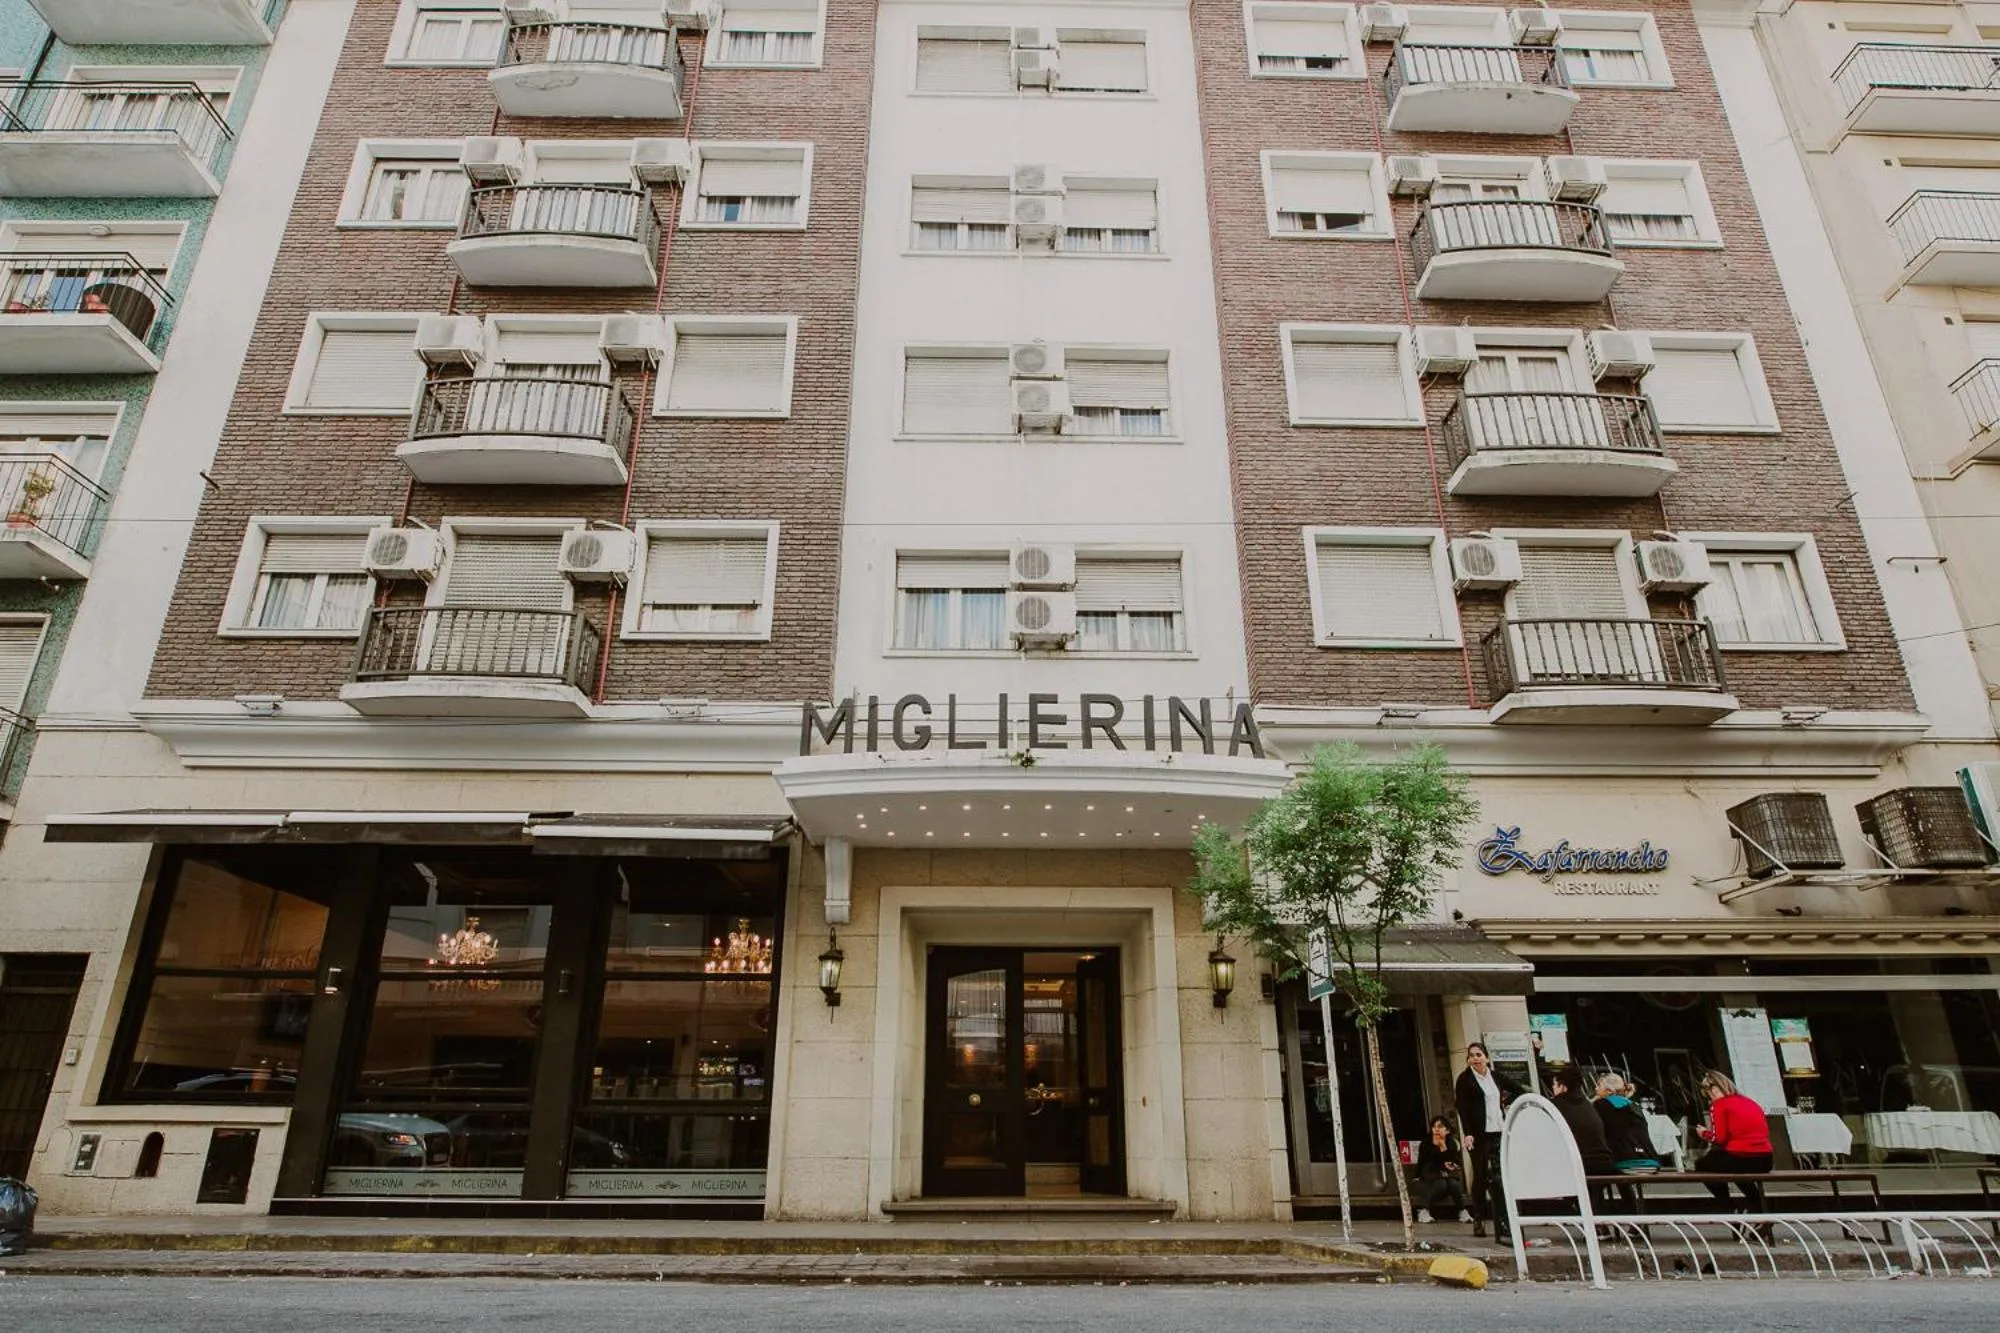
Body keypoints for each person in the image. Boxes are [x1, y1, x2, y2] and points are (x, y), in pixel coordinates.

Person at [1453, 1040, 1524, 1240]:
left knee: (1499, 1177)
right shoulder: (1464, 1080)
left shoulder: (1496, 1077)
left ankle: (1502, 1220)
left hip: (1498, 1131)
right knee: (1481, 1175)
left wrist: (1507, 1103)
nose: (1474, 1059)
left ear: (1486, 1058)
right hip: (1478, 1134)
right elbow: (1462, 1108)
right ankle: (1479, 1219)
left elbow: (1519, 1089)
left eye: (1478, 1055)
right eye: (1471, 1056)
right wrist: (1467, 1133)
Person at [1695, 1069, 1774, 1211]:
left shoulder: (1719, 1105)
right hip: (1766, 1159)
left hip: (1741, 1156)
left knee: (1703, 1165)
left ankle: (1727, 1207)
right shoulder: (1750, 1102)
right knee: (1736, 1171)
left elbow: (1719, 1138)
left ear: (1713, 1089)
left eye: (1708, 1094)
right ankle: (1758, 1206)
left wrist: (1704, 1133)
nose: (1709, 1098)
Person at [1593, 1073, 1661, 1175]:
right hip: (1651, 1162)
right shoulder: (1635, 1106)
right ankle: (1627, 1192)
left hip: (1625, 1163)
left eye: (1599, 1086)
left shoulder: (1601, 1105)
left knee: (1594, 1169)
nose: (1595, 1088)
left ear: (1610, 1091)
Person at [1413, 1116, 1470, 1224]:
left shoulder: (1451, 1143)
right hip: (1428, 1179)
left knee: (1453, 1184)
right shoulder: (1426, 1144)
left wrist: (1443, 1147)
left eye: (1440, 1127)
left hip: (1446, 1178)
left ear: (1447, 1130)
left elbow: (1452, 1163)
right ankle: (1424, 1210)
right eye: (1434, 1127)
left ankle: (1462, 1211)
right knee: (1441, 1183)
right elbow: (1424, 1164)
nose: (1436, 1129)